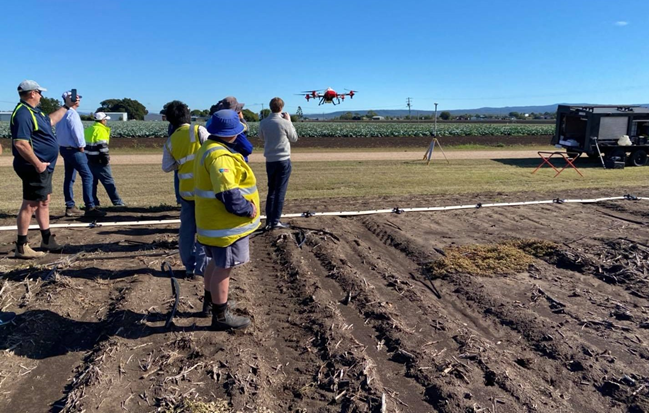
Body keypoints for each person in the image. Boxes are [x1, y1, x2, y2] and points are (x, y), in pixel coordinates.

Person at [194, 109, 261, 331]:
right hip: (225, 227)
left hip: (213, 224)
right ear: (233, 132)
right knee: (224, 267)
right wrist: (246, 209)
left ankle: (211, 303)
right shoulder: (220, 156)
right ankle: (220, 316)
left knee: (215, 263)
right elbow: (228, 194)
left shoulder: (209, 148)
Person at [10, 80, 71, 258]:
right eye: (39, 92)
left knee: (43, 201)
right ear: (32, 93)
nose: (41, 96)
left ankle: (46, 239)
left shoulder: (35, 112)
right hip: (33, 166)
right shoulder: (23, 114)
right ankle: (21, 246)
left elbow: (50, 120)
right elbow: (21, 143)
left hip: (43, 166)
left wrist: (66, 107)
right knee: (31, 203)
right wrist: (37, 163)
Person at [161, 101, 209, 279]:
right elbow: (213, 150)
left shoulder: (171, 141)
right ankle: (201, 269)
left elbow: (166, 167)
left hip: (186, 192)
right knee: (205, 230)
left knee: (187, 230)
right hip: (205, 191)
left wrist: (181, 163)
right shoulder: (199, 131)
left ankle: (189, 266)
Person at [56, 91, 106, 218]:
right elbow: (77, 132)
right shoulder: (72, 114)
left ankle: (70, 206)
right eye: (74, 97)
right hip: (74, 150)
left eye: (78, 97)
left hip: (64, 149)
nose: (77, 99)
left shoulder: (60, 114)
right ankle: (90, 206)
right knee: (88, 175)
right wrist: (81, 146)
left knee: (69, 177)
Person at [258, 97, 298, 230]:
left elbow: (261, 137)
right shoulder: (284, 123)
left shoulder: (264, 122)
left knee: (271, 191)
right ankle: (275, 221)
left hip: (270, 160)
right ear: (281, 108)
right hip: (283, 160)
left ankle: (269, 220)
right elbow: (294, 138)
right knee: (280, 191)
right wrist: (289, 122)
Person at [84, 113, 126, 207]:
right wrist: (106, 159)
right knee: (108, 181)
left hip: (88, 159)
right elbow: (102, 147)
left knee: (92, 182)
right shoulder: (101, 130)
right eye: (105, 120)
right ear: (102, 121)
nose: (106, 121)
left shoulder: (88, 130)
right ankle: (117, 202)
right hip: (99, 160)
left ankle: (93, 202)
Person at [207, 96, 253, 162]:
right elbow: (248, 148)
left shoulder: (212, 122)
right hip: (235, 161)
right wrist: (241, 119)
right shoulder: (233, 128)